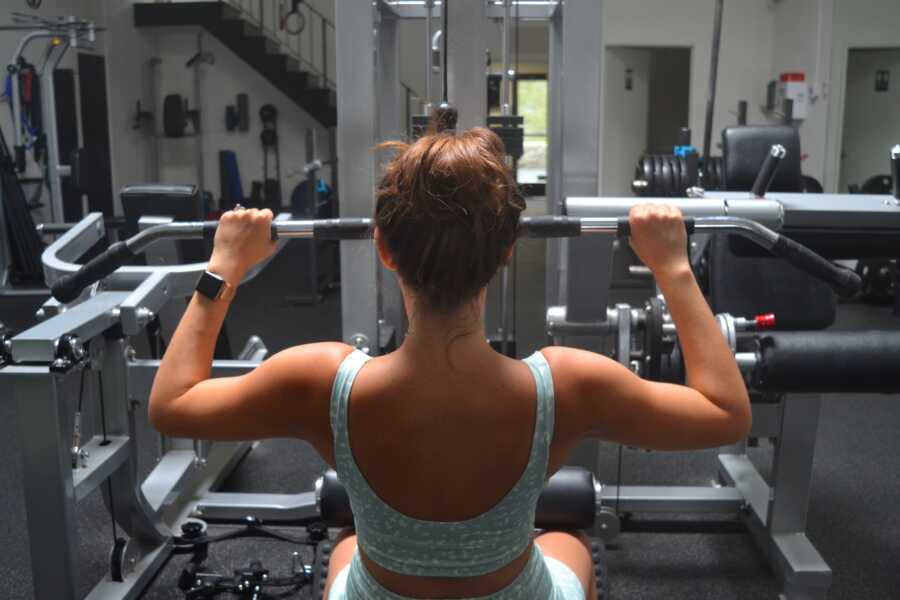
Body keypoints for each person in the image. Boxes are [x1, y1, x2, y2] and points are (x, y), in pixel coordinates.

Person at [149, 127, 751, 600]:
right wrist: (672, 267)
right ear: (506, 253)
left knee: (346, 550)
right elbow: (726, 413)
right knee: (567, 545)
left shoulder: (319, 380)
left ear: (384, 249)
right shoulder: (566, 385)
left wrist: (224, 266)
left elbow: (171, 405)